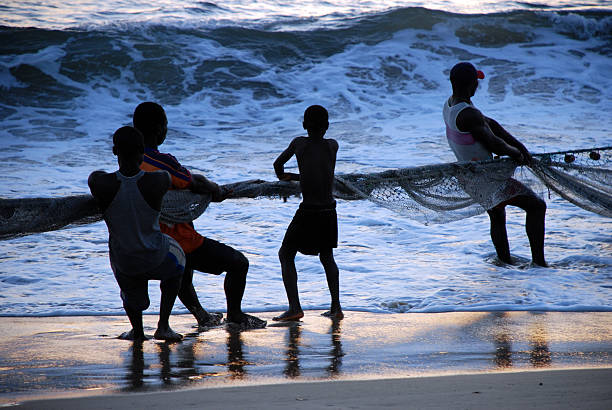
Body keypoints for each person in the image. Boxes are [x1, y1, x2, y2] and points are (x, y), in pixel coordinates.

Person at [133, 102, 266, 329]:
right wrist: (216, 190)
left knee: (184, 271)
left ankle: (203, 317)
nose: (166, 129)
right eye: (165, 125)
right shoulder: (161, 161)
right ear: (158, 129)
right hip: (177, 241)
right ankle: (235, 314)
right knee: (238, 263)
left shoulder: (132, 164)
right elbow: (196, 182)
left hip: (144, 242)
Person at [443, 62, 547, 266]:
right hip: (486, 179)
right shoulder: (468, 114)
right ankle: (539, 264)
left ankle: (504, 263)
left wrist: (519, 146)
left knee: (497, 214)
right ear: (471, 84)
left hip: (469, 175)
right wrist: (515, 153)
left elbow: (490, 124)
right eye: (476, 82)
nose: (477, 87)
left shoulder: (452, 104)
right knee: (536, 206)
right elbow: (494, 144)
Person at [88, 126, 185, 342]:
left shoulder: (99, 183)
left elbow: (97, 177)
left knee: (131, 290)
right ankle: (164, 325)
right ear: (143, 150)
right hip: (155, 254)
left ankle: (138, 331)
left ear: (115, 151)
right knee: (179, 259)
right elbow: (169, 178)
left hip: (125, 261)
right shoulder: (159, 180)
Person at [272, 104, 343, 321]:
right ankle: (336, 307)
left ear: (304, 125)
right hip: (329, 210)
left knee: (285, 254)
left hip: (309, 210)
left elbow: (278, 166)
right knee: (327, 257)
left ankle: (295, 308)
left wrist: (293, 178)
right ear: (327, 126)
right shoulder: (333, 146)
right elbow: (321, 171)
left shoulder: (299, 143)